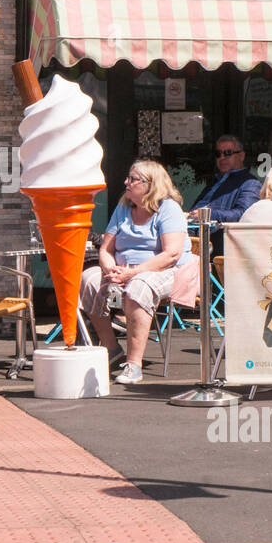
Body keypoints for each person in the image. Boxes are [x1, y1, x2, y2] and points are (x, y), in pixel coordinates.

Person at [79, 159, 192, 385]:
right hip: (124, 269)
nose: (126, 182)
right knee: (88, 279)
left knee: (138, 286)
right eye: (128, 178)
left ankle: (134, 364)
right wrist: (110, 268)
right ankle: (112, 349)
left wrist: (132, 273)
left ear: (151, 185)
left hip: (164, 269)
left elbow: (171, 254)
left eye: (133, 179)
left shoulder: (168, 209)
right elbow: (106, 248)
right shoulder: (123, 208)